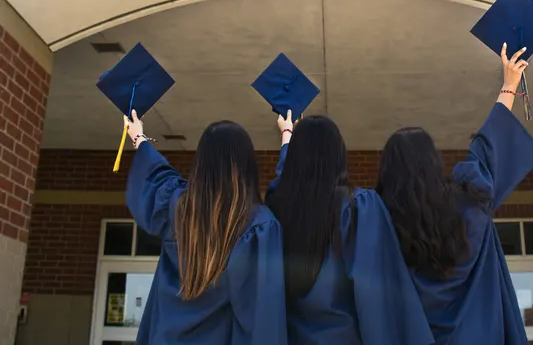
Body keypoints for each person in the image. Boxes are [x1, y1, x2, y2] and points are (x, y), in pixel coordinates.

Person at [376, 44, 533, 344]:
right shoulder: (469, 202)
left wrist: (289, 139)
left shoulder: (380, 223)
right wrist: (509, 84)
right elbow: (488, 147)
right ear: (433, 163)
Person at [267, 112, 433, 345]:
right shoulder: (358, 208)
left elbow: (281, 179)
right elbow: (377, 299)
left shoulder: (277, 206)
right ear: (339, 155)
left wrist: (287, 137)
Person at [124, 111, 287, 345]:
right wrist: (287, 137)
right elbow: (263, 318)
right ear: (248, 165)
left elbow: (156, 176)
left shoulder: (177, 208)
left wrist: (138, 137)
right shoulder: (258, 226)